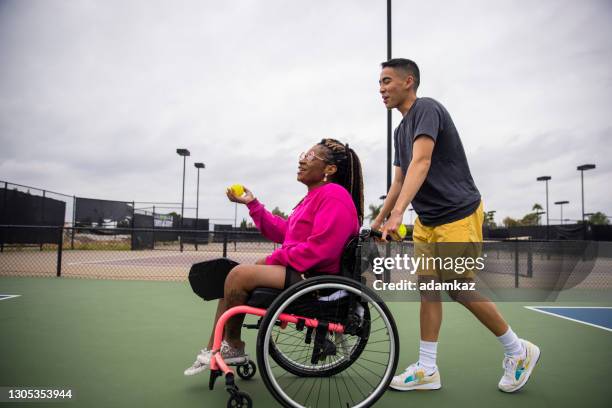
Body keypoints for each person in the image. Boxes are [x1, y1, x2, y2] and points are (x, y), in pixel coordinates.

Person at [373, 58, 540, 393]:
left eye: (387, 81)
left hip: (458, 213)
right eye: (379, 83)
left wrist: (399, 213)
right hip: (428, 220)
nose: (381, 89)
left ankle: (517, 350)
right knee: (428, 289)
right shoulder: (399, 130)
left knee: (458, 287)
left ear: (409, 81)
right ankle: (427, 369)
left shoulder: (428, 109)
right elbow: (400, 179)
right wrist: (377, 220)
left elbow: (422, 161)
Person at [184, 138, 364, 376]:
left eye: (310, 156)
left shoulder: (333, 195)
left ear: (330, 169)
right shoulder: (314, 197)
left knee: (237, 275)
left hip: (318, 282)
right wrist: (253, 204)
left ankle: (233, 346)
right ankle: (216, 347)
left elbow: (322, 249)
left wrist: (276, 258)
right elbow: (285, 231)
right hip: (306, 274)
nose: (301, 160)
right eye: (303, 154)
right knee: (231, 279)